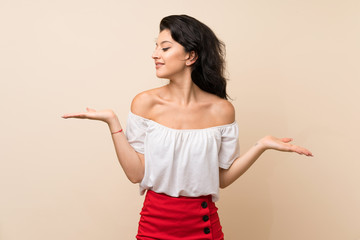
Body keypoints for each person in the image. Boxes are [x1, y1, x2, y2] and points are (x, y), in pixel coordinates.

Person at [62, 14, 312, 240]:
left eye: (165, 47)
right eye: (156, 46)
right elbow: (136, 174)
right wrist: (112, 122)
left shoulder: (222, 110)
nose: (155, 54)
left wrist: (261, 146)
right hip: (154, 225)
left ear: (191, 56)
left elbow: (222, 179)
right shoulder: (145, 103)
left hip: (203, 228)